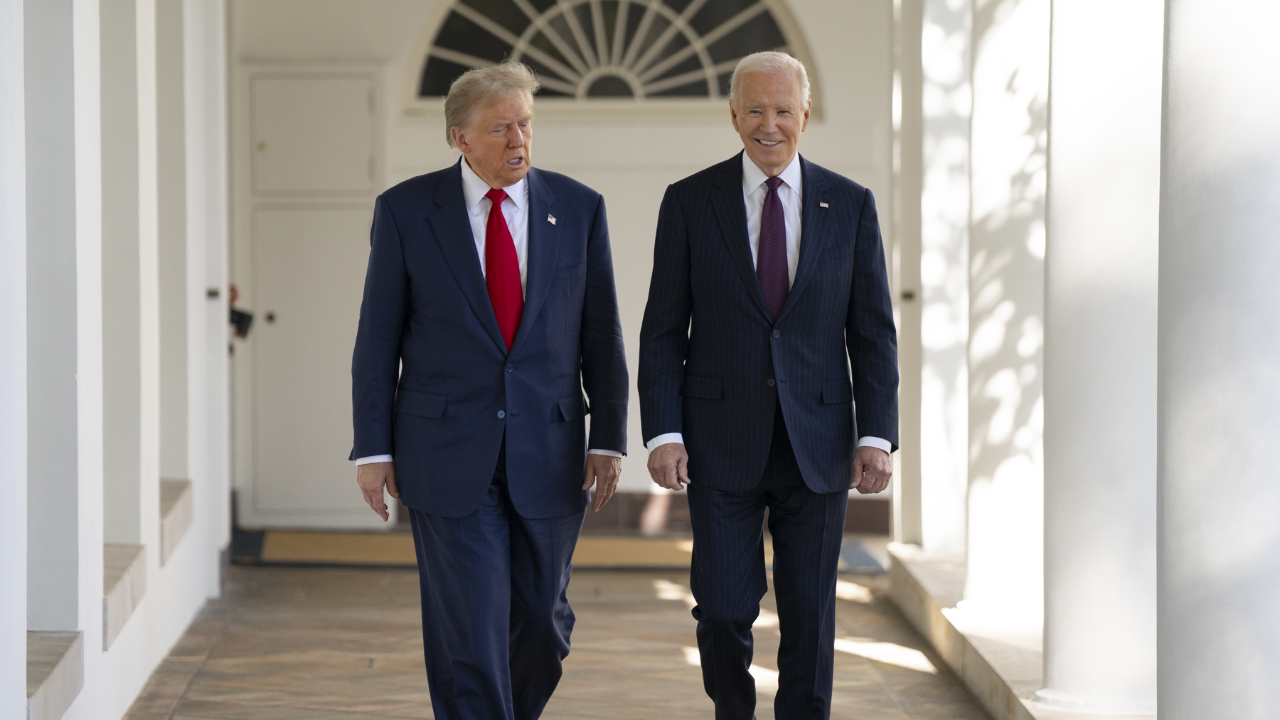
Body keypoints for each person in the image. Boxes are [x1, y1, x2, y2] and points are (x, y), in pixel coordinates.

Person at [349, 62, 628, 720]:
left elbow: (602, 336)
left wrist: (610, 438)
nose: (518, 140)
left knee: (542, 624)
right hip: (443, 452)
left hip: (552, 451)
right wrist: (372, 449)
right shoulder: (407, 212)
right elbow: (376, 341)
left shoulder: (580, 209)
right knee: (472, 633)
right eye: (500, 128)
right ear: (459, 138)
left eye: (526, 124)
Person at [638, 51, 899, 720]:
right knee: (723, 607)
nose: (769, 125)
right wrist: (663, 431)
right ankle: (735, 711)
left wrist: (877, 435)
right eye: (755, 110)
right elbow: (664, 330)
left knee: (811, 616)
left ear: (805, 115)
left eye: (783, 110)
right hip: (719, 441)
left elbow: (872, 333)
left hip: (820, 442)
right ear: (733, 116)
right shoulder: (690, 202)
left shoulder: (851, 205)